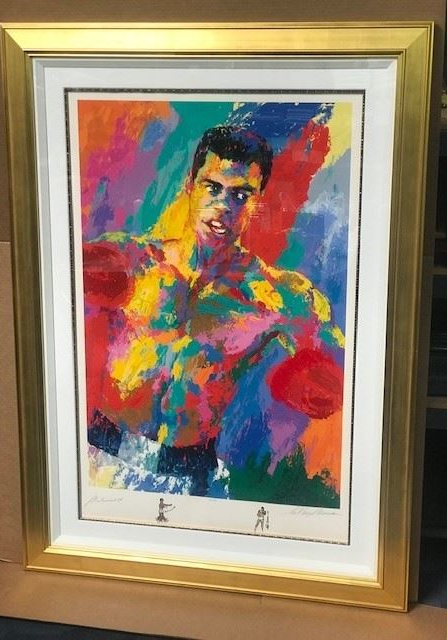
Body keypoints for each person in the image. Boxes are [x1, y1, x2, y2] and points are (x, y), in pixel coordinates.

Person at [85, 125, 344, 498]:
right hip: (103, 452)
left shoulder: (274, 298)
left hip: (191, 473)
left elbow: (343, 374)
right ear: (190, 185)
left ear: (257, 201)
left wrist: (317, 376)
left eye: (240, 195)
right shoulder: (135, 262)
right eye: (213, 188)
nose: (224, 206)